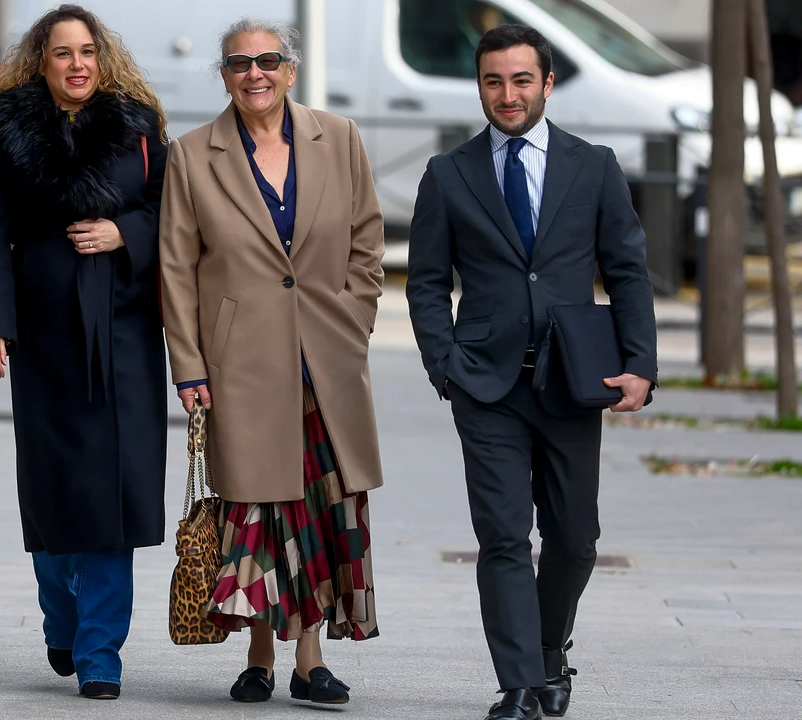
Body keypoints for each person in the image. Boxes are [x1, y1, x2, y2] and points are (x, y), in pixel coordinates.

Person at [406, 24, 657, 720]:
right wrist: (444, 364)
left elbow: (629, 271)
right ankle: (518, 684)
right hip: (485, 385)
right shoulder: (448, 174)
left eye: (521, 80)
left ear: (547, 84)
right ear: (480, 86)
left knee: (576, 540)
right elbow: (425, 282)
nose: (507, 94)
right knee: (504, 537)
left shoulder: (594, 165)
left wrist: (640, 364)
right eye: (493, 80)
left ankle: (549, 656)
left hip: (574, 382)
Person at [159, 17, 384, 707]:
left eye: (267, 60)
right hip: (241, 363)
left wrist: (353, 323)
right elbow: (175, 268)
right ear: (223, 76)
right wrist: (190, 369)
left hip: (326, 361)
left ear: (290, 69)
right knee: (256, 509)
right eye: (238, 63)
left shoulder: (339, 138)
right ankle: (260, 651)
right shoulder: (193, 155)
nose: (254, 73)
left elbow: (367, 242)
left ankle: (308, 661)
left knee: (320, 506)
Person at [0, 3, 168, 701]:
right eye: (62, 53)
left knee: (115, 490)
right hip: (45, 324)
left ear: (101, 60)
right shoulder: (4, 135)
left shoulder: (140, 128)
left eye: (87, 52)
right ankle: (63, 616)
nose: (77, 64)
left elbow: (174, 211)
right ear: (40, 62)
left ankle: (102, 651)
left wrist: (125, 236)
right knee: (53, 488)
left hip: (125, 325)